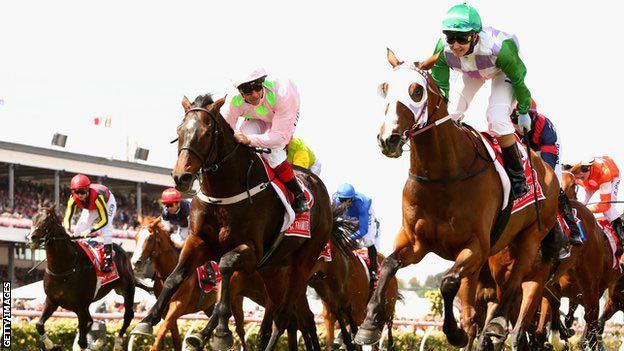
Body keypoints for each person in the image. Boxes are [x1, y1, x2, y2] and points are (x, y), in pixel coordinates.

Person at [418, 3, 531, 200]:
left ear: (475, 35)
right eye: (450, 37)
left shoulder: (500, 48)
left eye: (461, 38)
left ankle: (518, 178)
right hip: (471, 70)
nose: (455, 45)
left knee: (496, 117)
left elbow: (519, 81)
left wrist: (523, 111)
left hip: (501, 70)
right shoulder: (443, 50)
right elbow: (441, 86)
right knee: (450, 115)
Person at [222, 67, 309, 213]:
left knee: (273, 152)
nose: (255, 95)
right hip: (257, 116)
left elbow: (279, 139)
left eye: (257, 87)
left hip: (284, 112)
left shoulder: (283, 92)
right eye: (248, 92)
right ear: (240, 92)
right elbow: (226, 130)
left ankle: (298, 194)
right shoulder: (232, 101)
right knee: (239, 145)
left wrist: (249, 140)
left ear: (262, 83)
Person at [510, 99, 583, 246]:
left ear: (534, 116)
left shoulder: (546, 129)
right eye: (514, 118)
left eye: (524, 117)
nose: (518, 122)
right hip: (526, 147)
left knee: (552, 184)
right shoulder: (506, 124)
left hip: (546, 147)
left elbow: (547, 168)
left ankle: (574, 230)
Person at [161, 188, 216, 285]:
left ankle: (210, 274)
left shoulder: (188, 209)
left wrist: (184, 243)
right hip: (182, 228)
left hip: (199, 226)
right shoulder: (165, 213)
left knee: (200, 247)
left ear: (178, 203)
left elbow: (193, 231)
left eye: (170, 205)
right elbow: (166, 232)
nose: (168, 208)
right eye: (165, 205)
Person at [63, 174, 116, 272]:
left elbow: (104, 220)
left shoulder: (97, 197)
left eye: (82, 192)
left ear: (87, 190)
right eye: (77, 192)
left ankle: (108, 260)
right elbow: (67, 217)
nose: (79, 195)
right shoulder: (73, 199)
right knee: (78, 230)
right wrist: (67, 230)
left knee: (105, 230)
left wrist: (89, 230)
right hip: (91, 206)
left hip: (107, 203)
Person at [572, 157, 624, 254]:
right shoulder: (577, 174)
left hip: (611, 177)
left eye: (581, 176)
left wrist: (586, 209)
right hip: (591, 181)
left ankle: (621, 240)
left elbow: (605, 205)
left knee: (609, 209)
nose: (579, 177)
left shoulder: (604, 173)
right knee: (581, 203)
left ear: (588, 168)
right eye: (578, 177)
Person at [333, 183, 381, 282]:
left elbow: (363, 230)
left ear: (351, 199)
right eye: (341, 200)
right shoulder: (335, 201)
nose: (342, 203)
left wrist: (349, 239)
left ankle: (373, 270)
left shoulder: (362, 204)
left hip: (364, 217)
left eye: (345, 200)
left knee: (368, 240)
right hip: (350, 217)